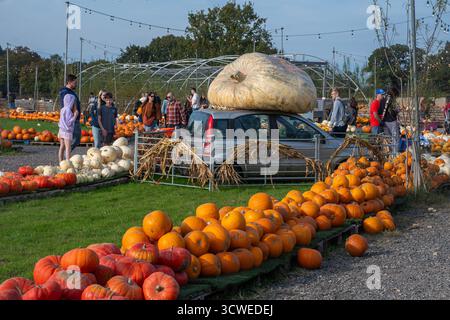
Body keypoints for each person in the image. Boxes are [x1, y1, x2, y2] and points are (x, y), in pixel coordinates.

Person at [59, 74, 81, 151]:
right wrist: (73, 116)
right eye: (75, 82)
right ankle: (66, 155)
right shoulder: (65, 92)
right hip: (71, 119)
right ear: (69, 82)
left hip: (74, 118)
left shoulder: (71, 92)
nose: (76, 84)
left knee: (76, 138)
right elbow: (66, 106)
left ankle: (66, 154)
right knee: (75, 138)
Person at [378, 87, 400, 153]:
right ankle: (395, 154)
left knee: (388, 138)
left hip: (385, 121)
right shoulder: (391, 100)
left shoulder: (383, 99)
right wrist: (397, 111)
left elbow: (380, 111)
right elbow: (392, 111)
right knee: (395, 138)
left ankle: (389, 153)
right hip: (392, 121)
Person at [58, 94, 79, 162]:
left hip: (61, 130)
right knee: (68, 148)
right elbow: (69, 122)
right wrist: (75, 116)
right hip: (67, 131)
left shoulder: (62, 109)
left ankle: (60, 161)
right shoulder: (68, 111)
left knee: (62, 147)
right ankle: (67, 163)